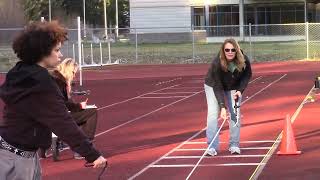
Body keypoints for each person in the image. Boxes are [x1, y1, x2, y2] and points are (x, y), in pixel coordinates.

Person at [0, 21, 107, 180]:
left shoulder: (20, 72)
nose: (60, 55)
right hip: (17, 160)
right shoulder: (41, 82)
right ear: (42, 51)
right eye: (57, 50)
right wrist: (91, 154)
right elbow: (62, 121)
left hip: (17, 153)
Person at [204, 38, 252, 156]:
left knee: (235, 113)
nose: (230, 52)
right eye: (227, 50)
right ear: (223, 51)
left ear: (237, 50)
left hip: (234, 87)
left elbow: (247, 75)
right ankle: (212, 147)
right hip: (213, 85)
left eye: (232, 50)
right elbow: (217, 86)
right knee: (213, 113)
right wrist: (222, 106)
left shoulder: (244, 59)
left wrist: (240, 91)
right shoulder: (217, 63)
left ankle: (234, 145)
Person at [50, 58, 98, 159]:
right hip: (58, 116)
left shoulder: (54, 78)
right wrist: (79, 106)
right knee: (92, 112)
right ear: (67, 69)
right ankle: (83, 148)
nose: (74, 75)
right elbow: (61, 103)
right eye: (73, 72)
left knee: (84, 113)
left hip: (49, 115)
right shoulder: (60, 82)